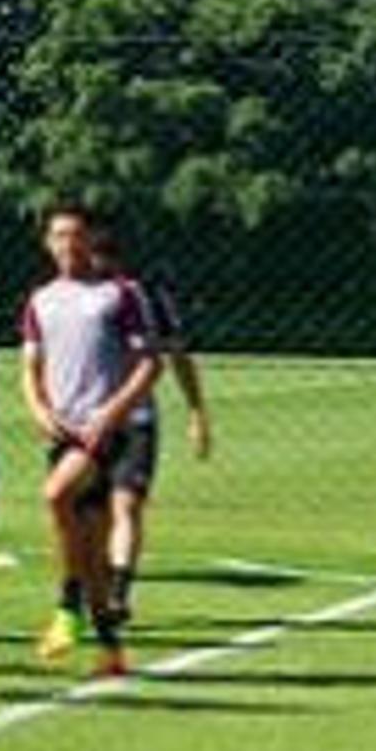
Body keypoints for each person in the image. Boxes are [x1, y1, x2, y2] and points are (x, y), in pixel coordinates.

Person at [21, 204, 163, 677]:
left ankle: (66, 606)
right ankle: (110, 648)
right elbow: (30, 370)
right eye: (59, 236)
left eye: (76, 236)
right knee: (90, 545)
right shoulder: (41, 300)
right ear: (47, 242)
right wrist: (40, 410)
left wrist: (110, 414)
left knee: (55, 494)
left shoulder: (119, 295)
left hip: (108, 433)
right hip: (66, 433)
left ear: (90, 241)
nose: (67, 245)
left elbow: (149, 364)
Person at [96, 220, 213, 628]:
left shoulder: (144, 298)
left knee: (126, 503)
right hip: (85, 424)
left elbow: (176, 355)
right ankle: (91, 586)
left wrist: (197, 412)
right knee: (91, 515)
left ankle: (118, 594)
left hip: (135, 420)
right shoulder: (66, 299)